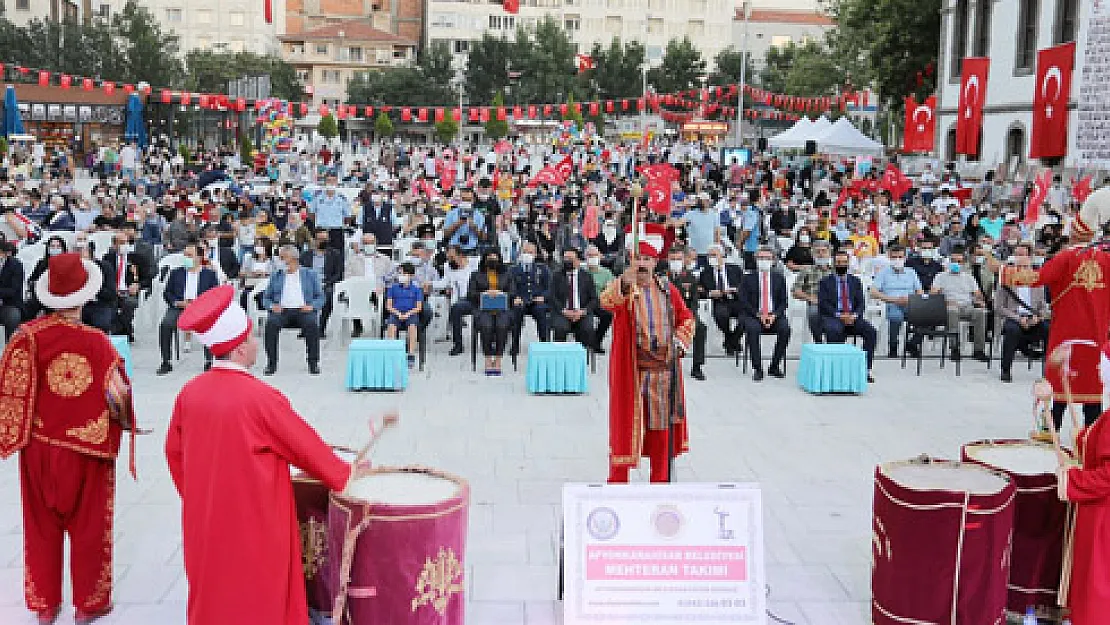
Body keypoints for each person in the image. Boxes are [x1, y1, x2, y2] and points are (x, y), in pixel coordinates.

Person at [165, 285, 357, 625]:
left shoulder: (189, 393)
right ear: (239, 350)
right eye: (252, 337)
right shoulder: (260, 397)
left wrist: (200, 498)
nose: (257, 343)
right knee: (259, 590)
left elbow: (174, 454)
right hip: (256, 517)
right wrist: (345, 474)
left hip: (207, 519)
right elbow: (306, 448)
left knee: (215, 590)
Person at [0, 252, 135, 625]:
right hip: (86, 449)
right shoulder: (97, 342)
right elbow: (118, 396)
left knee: (41, 526)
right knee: (90, 525)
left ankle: (45, 603)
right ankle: (88, 603)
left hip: (39, 447)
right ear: (84, 295)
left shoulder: (26, 337)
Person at [601, 239, 694, 483]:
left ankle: (660, 483)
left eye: (647, 259)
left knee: (662, 431)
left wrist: (679, 340)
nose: (642, 264)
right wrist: (623, 283)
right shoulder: (625, 286)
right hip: (633, 372)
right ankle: (617, 485)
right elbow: (607, 301)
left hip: (662, 373)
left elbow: (686, 317)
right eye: (638, 259)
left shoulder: (666, 289)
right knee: (625, 429)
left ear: (655, 263)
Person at [260, 245, 326, 376]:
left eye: (283, 258)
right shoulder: (276, 275)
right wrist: (272, 306)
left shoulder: (309, 274)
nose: (280, 260)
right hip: (282, 311)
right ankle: (271, 363)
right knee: (271, 324)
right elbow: (266, 297)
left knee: (312, 324)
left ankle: (313, 362)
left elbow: (321, 296)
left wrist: (312, 306)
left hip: (303, 310)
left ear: (294, 259)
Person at [157, 244, 220, 375]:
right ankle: (166, 361)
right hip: (180, 306)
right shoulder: (176, 273)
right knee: (165, 324)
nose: (186, 258)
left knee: (210, 325)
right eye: (185, 255)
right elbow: (167, 293)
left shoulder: (209, 274)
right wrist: (177, 302)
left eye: (189, 255)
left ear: (199, 257)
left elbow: (215, 294)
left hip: (201, 308)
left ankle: (209, 360)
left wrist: (200, 304)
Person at [818, 250, 876, 382]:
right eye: (838, 262)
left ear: (848, 263)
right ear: (833, 263)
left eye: (844, 262)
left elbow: (861, 303)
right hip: (834, 316)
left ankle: (865, 369)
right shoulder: (825, 282)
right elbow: (823, 304)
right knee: (834, 330)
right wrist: (839, 315)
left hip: (853, 316)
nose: (841, 265)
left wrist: (854, 315)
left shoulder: (855, 281)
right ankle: (837, 370)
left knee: (871, 332)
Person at [995, 248, 1049, 382]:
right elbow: (999, 307)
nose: (1023, 269)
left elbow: (1043, 306)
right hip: (1014, 317)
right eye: (1020, 266)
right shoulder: (1006, 282)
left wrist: (1039, 316)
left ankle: (1049, 371)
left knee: (1048, 329)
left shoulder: (1038, 283)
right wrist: (1018, 318)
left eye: (1026, 266)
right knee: (1012, 331)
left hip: (1033, 317)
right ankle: (1006, 370)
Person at [929, 246, 989, 362]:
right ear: (949, 261)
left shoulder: (969, 278)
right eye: (953, 261)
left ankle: (978, 350)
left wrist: (979, 300)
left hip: (967, 306)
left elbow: (978, 294)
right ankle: (955, 348)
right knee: (953, 311)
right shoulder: (940, 276)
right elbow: (933, 295)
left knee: (980, 313)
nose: (956, 263)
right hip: (948, 306)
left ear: (963, 263)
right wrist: (946, 301)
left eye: (959, 261)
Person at [740, 247, 790, 381]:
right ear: (755, 260)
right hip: (753, 315)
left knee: (785, 329)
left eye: (767, 258)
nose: (763, 261)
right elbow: (743, 301)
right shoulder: (747, 278)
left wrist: (774, 315)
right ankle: (757, 368)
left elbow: (784, 301)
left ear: (773, 260)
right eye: (760, 258)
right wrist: (758, 314)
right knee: (752, 329)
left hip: (774, 315)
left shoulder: (779, 278)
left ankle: (774, 366)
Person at [871, 245, 922, 358]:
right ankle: (893, 346)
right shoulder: (883, 273)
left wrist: (912, 299)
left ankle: (912, 344)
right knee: (896, 316)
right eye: (894, 257)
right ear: (889, 257)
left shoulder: (911, 272)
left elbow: (919, 291)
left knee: (926, 315)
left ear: (905, 257)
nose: (897, 260)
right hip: (891, 303)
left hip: (910, 302)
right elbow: (873, 292)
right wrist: (893, 300)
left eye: (900, 257)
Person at [468, 249, 513, 375]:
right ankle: (488, 358)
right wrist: (485, 294)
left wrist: (501, 293)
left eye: (495, 257)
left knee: (502, 325)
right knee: (486, 326)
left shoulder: (507, 274)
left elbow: (513, 292)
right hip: (483, 309)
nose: (493, 260)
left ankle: (498, 359)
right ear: (485, 259)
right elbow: (471, 294)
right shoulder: (476, 274)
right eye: (490, 257)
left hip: (502, 308)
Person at [666, 246, 707, 380]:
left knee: (700, 328)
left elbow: (694, 302)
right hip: (664, 315)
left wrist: (691, 317)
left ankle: (697, 367)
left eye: (678, 259)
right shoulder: (661, 277)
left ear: (684, 260)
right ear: (668, 260)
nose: (676, 262)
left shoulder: (690, 278)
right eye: (673, 259)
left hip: (684, 314)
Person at [102, 232, 148, 342]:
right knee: (110, 305)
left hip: (129, 292)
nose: (125, 245)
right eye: (122, 243)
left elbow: (147, 278)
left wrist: (138, 285)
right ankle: (126, 331)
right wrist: (113, 289)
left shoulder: (137, 258)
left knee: (130, 303)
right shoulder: (107, 258)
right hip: (114, 291)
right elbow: (105, 277)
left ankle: (119, 330)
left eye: (127, 242)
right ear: (114, 245)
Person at [699, 245, 744, 355]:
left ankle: (732, 340)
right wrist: (710, 293)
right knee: (721, 315)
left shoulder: (735, 269)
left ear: (722, 256)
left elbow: (746, 287)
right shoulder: (705, 272)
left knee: (747, 317)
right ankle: (730, 338)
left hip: (736, 300)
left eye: (714, 255)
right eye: (709, 256)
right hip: (719, 301)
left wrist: (736, 290)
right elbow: (700, 290)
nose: (711, 258)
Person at [550, 249, 597, 348]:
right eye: (565, 259)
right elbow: (552, 297)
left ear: (578, 261)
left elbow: (594, 299)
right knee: (560, 328)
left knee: (587, 329)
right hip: (563, 312)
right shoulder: (556, 276)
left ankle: (583, 360)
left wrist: (583, 312)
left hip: (581, 312)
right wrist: (564, 311)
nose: (567, 261)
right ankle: (560, 359)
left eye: (570, 259)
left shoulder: (587, 276)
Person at [300, 230, 343, 338]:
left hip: (327, 284)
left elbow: (338, 274)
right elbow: (301, 271)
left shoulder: (335, 254)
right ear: (315, 240)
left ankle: (321, 328)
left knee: (328, 296)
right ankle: (306, 328)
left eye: (325, 239)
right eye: (320, 239)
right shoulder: (306, 255)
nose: (323, 242)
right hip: (308, 284)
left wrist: (327, 283)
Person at [509, 241, 552, 349]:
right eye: (525, 252)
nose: (527, 254)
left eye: (530, 252)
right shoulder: (513, 270)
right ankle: (514, 344)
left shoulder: (542, 269)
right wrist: (514, 297)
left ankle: (544, 344)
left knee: (541, 311)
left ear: (535, 254)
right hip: (520, 300)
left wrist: (543, 297)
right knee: (516, 311)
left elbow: (550, 287)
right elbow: (509, 287)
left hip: (537, 301)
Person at [793, 240, 835, 342]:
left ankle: (834, 343)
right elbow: (795, 291)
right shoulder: (806, 270)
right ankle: (818, 341)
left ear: (830, 253)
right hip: (815, 302)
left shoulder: (836, 270)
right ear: (813, 254)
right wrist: (810, 298)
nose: (821, 254)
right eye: (817, 251)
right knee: (813, 312)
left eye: (824, 251)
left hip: (834, 302)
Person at [384, 262, 423, 367]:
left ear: (410, 275)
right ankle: (392, 354)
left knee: (412, 327)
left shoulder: (416, 290)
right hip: (396, 313)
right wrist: (397, 313)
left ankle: (411, 354)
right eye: (400, 274)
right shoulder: (393, 288)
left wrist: (408, 314)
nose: (401, 276)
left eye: (404, 274)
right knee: (391, 326)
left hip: (410, 314)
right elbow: (389, 305)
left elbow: (418, 307)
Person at [310, 173, 351, 254]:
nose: (331, 183)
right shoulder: (317, 196)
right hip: (321, 231)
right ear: (324, 182)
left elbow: (347, 216)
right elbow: (311, 213)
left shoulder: (342, 198)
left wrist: (340, 224)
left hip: (336, 231)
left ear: (337, 183)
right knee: (320, 255)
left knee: (337, 256)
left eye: (333, 181)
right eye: (328, 181)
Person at [584, 244, 615, 352]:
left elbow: (610, 289)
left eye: (594, 255)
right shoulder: (581, 270)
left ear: (599, 256)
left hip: (598, 302)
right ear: (585, 257)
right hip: (582, 302)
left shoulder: (606, 273)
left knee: (607, 316)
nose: (592, 258)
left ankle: (596, 342)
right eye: (589, 256)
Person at [0, 238, 24, 339]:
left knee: (13, 316)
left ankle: (10, 345)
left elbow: (13, 291)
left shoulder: (16, 265)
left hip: (8, 304)